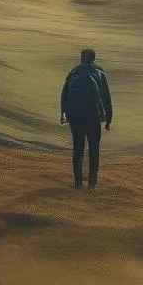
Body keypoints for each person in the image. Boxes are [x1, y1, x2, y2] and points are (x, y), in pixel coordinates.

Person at [59, 47, 113, 188]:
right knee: (94, 149)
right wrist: (108, 119)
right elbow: (106, 98)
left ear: (81, 58)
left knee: (78, 149)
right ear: (93, 59)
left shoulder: (73, 72)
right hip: (93, 116)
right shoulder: (99, 73)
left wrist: (63, 113)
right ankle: (92, 183)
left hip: (75, 115)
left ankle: (78, 182)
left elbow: (64, 94)